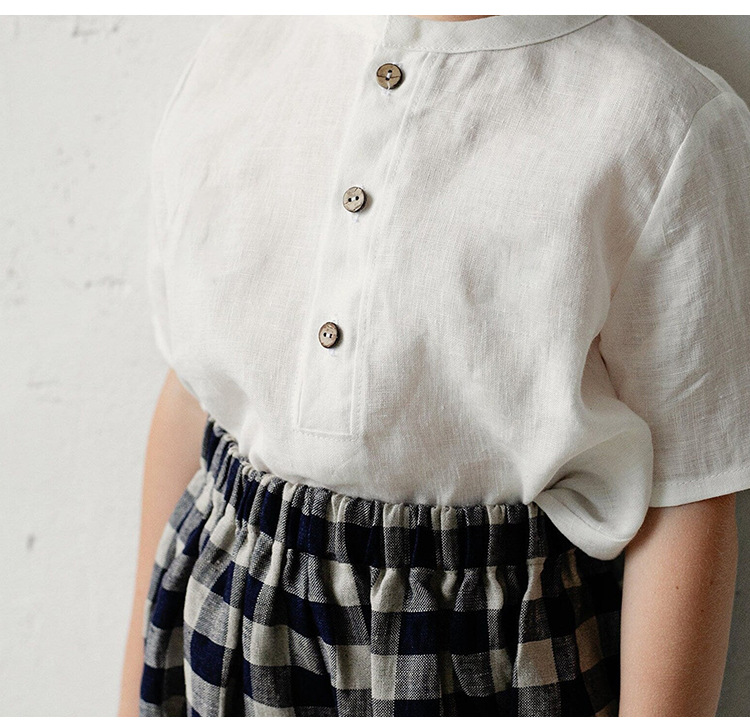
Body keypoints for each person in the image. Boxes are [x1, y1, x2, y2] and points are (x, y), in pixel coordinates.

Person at [118, 14, 750, 717]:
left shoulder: (660, 120)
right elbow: (192, 397)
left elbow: (687, 495)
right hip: (224, 634)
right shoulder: (243, 52)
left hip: (493, 662)